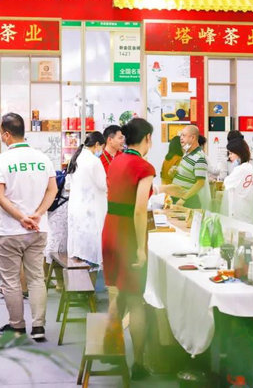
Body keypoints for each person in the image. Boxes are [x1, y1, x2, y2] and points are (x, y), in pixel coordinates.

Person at [0, 113, 58, 341]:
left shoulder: (1, 160)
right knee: (36, 278)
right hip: (38, 229)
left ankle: (17, 327)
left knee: (11, 281)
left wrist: (21, 217)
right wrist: (37, 214)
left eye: (1, 133)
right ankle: (39, 327)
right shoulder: (43, 158)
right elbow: (53, 190)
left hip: (10, 231)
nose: (2, 137)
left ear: (7, 134)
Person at [102, 118, 155, 380]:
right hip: (128, 236)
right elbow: (140, 210)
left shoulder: (116, 160)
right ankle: (140, 364)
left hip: (110, 230)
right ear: (147, 138)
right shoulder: (144, 166)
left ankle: (110, 351)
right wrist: (141, 250)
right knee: (136, 300)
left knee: (118, 294)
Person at [66, 132, 107, 273]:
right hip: (91, 210)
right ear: (97, 145)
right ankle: (92, 277)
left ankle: (82, 277)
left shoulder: (75, 158)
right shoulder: (94, 161)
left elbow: (68, 184)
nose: (101, 151)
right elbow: (103, 185)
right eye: (102, 147)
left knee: (80, 247)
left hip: (77, 208)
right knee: (91, 247)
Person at [163, 125, 208, 209]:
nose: (181, 138)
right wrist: (173, 173)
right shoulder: (186, 153)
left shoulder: (200, 157)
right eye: (181, 135)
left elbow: (200, 183)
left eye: (184, 135)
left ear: (192, 138)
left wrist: (183, 199)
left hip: (187, 202)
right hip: (176, 197)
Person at [221, 138, 253, 222]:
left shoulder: (239, 169)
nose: (229, 156)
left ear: (239, 153)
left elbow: (226, 183)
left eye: (231, 153)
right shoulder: (249, 167)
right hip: (247, 210)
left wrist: (234, 169)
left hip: (239, 213)